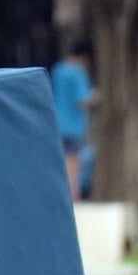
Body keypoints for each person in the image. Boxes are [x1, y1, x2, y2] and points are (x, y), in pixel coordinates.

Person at [50, 40, 93, 201]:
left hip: (57, 123)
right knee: (74, 162)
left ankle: (64, 194)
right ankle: (73, 196)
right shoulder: (78, 72)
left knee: (62, 161)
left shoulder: (58, 70)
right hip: (74, 126)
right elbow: (82, 99)